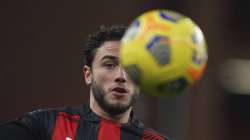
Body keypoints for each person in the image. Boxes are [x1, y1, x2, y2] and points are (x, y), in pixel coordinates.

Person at [0, 25, 169, 140]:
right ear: (88, 74)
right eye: (109, 65)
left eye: (131, 67)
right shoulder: (46, 124)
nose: (121, 76)